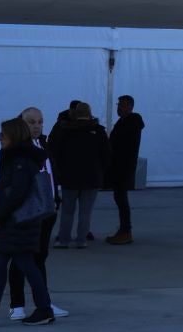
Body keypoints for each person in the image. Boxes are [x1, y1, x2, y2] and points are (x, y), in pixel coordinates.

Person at [0, 117, 57, 327]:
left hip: (19, 221)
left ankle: (40, 308)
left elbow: (17, 193)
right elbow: (6, 192)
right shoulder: (17, 157)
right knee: (4, 262)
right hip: (18, 219)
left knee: (19, 263)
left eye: (3, 134)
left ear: (13, 136)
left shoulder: (20, 160)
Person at [9, 106, 66, 320]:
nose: (37, 126)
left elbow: (51, 173)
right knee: (21, 257)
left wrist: (55, 198)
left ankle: (44, 302)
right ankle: (17, 304)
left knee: (40, 256)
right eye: (32, 122)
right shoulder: (16, 148)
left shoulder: (43, 143)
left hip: (48, 210)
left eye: (40, 122)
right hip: (28, 212)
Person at [49, 101, 109, 248]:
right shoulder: (99, 131)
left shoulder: (66, 130)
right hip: (91, 178)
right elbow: (106, 155)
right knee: (85, 211)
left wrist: (60, 172)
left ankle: (63, 240)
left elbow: (56, 152)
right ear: (90, 113)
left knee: (67, 211)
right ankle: (81, 240)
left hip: (70, 178)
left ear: (74, 113)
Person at [106, 94, 144, 244]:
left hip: (123, 167)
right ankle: (124, 230)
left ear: (130, 106)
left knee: (121, 199)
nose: (118, 108)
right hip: (119, 167)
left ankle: (125, 231)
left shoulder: (130, 123)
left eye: (121, 105)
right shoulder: (125, 122)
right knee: (120, 198)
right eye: (118, 105)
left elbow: (119, 143)